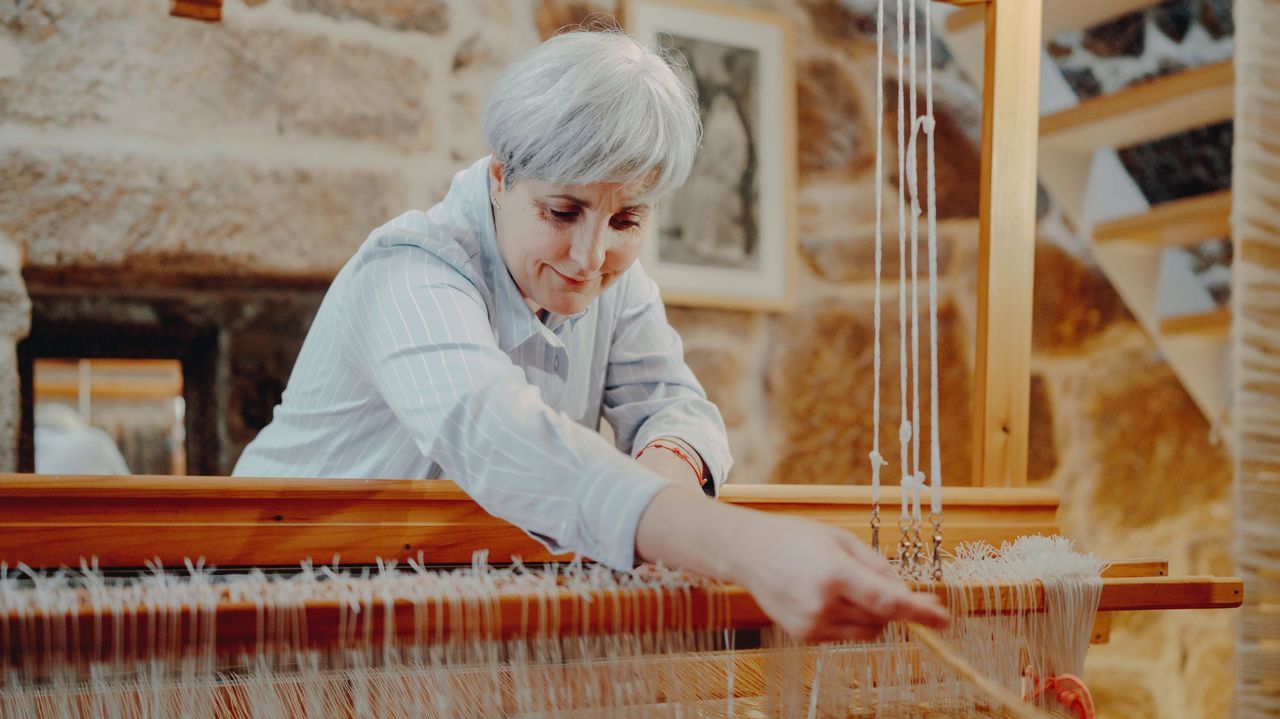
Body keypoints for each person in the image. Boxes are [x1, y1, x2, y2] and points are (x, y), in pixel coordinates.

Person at [234, 30, 946, 641]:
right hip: (252, 594)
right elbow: (496, 432)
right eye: (562, 209)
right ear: (499, 178)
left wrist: (666, 471)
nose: (589, 257)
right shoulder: (407, 271)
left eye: (627, 220)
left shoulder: (613, 279)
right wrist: (750, 548)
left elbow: (676, 404)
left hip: (435, 604)